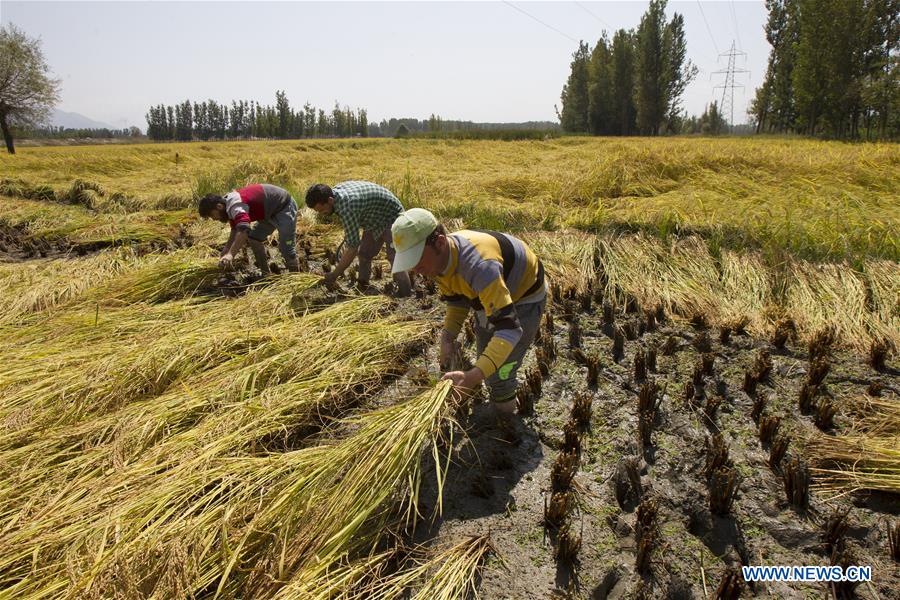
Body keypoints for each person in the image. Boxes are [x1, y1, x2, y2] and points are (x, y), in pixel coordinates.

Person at [390, 208, 546, 417]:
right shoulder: (437, 263)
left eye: (416, 259)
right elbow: (457, 302)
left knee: (499, 374)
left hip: (524, 294)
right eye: (409, 261)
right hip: (489, 293)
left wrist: (474, 376)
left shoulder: (480, 266)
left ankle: (506, 424)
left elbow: (509, 330)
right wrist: (447, 337)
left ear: (440, 242)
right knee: (485, 356)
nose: (414, 269)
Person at [305, 181, 411, 296]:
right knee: (364, 254)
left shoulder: (348, 207)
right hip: (373, 217)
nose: (321, 213)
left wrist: (334, 274)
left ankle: (404, 294)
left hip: (392, 216)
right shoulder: (335, 194)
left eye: (321, 210)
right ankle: (363, 285)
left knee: (395, 258)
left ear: (330, 200)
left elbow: (352, 247)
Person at [198, 183, 300, 273]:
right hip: (268, 213)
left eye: (212, 215)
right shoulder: (227, 206)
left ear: (219, 206)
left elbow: (243, 230)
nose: (214, 219)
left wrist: (230, 255)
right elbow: (235, 229)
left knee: (287, 248)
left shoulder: (235, 205)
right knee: (254, 238)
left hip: (284, 207)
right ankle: (265, 274)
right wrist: (226, 249)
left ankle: (295, 281)